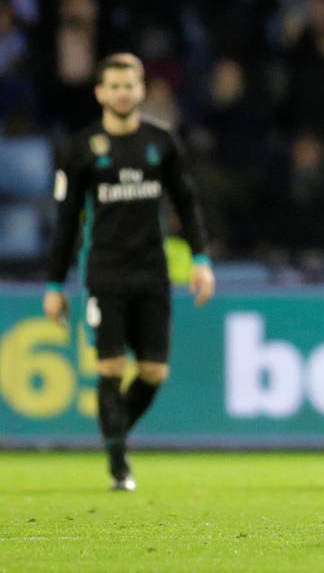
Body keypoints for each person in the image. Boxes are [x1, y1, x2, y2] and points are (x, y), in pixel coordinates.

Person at [44, 53, 215, 491]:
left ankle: (114, 431)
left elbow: (186, 203)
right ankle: (120, 465)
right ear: (100, 92)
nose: (123, 93)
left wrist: (200, 260)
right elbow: (65, 223)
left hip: (152, 272)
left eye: (130, 85)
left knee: (155, 372)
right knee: (110, 367)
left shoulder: (162, 142)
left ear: (142, 90)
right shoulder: (81, 149)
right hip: (104, 272)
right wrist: (54, 284)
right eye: (114, 85)